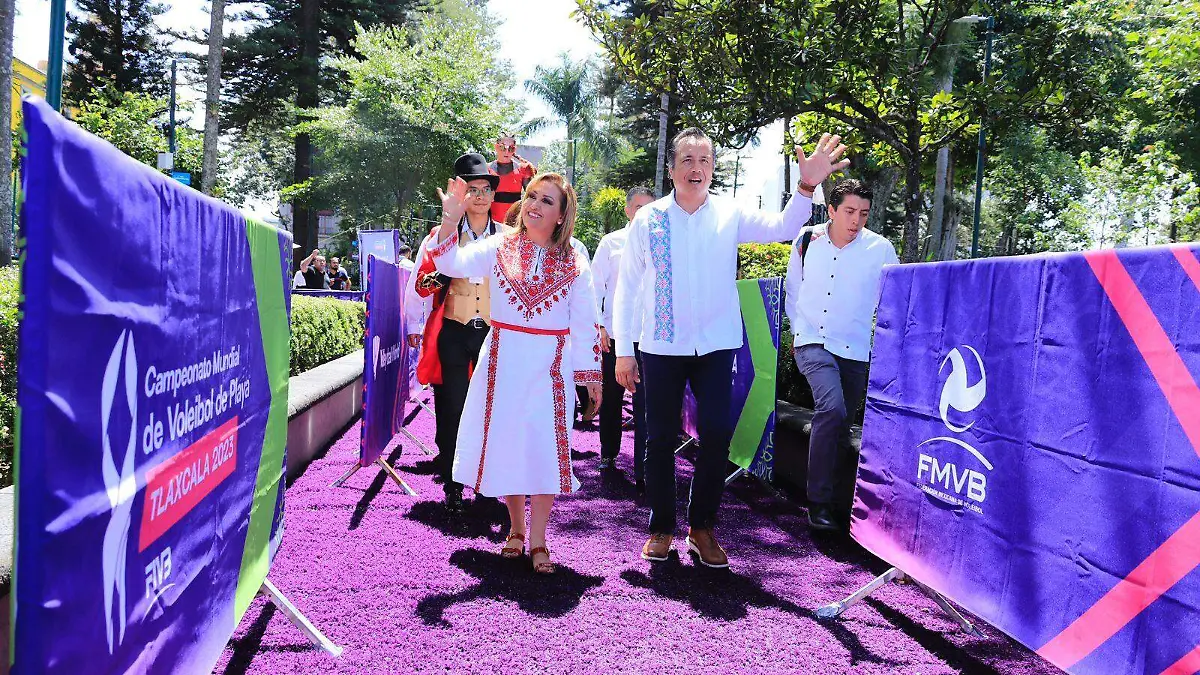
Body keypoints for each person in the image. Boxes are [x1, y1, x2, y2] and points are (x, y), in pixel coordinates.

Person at [614, 128, 849, 568]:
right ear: (671, 169)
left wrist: (807, 186)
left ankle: (701, 527)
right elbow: (627, 288)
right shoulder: (649, 220)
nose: (696, 168)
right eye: (686, 160)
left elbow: (782, 227)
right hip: (661, 346)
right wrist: (624, 350)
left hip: (717, 347)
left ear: (713, 168)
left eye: (704, 160)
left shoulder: (729, 214)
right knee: (660, 438)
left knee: (718, 435)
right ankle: (661, 527)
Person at [427, 172, 602, 575]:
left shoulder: (576, 254)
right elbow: (450, 263)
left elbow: (584, 317)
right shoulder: (499, 244)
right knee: (507, 446)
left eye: (547, 201)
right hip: (502, 358)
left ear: (562, 215)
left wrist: (589, 374)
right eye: (532, 196)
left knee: (544, 449)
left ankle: (539, 538)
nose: (536, 206)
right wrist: (451, 220)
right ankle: (516, 531)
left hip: (551, 365)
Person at [785, 178, 897, 531]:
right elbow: (793, 291)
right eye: (849, 211)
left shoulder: (880, 250)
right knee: (831, 409)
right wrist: (797, 331)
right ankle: (818, 503)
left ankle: (835, 502)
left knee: (842, 423)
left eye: (863, 213)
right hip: (812, 342)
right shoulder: (806, 241)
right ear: (831, 210)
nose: (856, 220)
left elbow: (894, 300)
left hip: (855, 351)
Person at [405, 153, 508, 513]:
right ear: (461, 196)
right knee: (451, 407)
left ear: (493, 196)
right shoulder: (440, 236)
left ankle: (489, 482)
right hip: (453, 330)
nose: (479, 196)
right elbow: (420, 285)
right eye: (472, 190)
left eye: (485, 189)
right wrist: (444, 276)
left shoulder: (510, 239)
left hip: (494, 335)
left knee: (492, 409)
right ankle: (452, 482)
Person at [592, 187, 655, 488]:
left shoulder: (662, 244)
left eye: (650, 208)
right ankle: (608, 455)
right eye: (639, 207)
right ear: (629, 210)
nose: (644, 213)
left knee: (646, 406)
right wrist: (599, 326)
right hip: (615, 336)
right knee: (612, 400)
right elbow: (595, 287)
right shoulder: (611, 243)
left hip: (650, 339)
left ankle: (645, 469)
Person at [489, 132, 537, 222]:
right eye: (502, 147)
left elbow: (532, 196)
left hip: (513, 223)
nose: (507, 151)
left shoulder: (523, 169)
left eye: (511, 148)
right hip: (490, 223)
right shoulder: (486, 169)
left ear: (515, 149)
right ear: (496, 147)